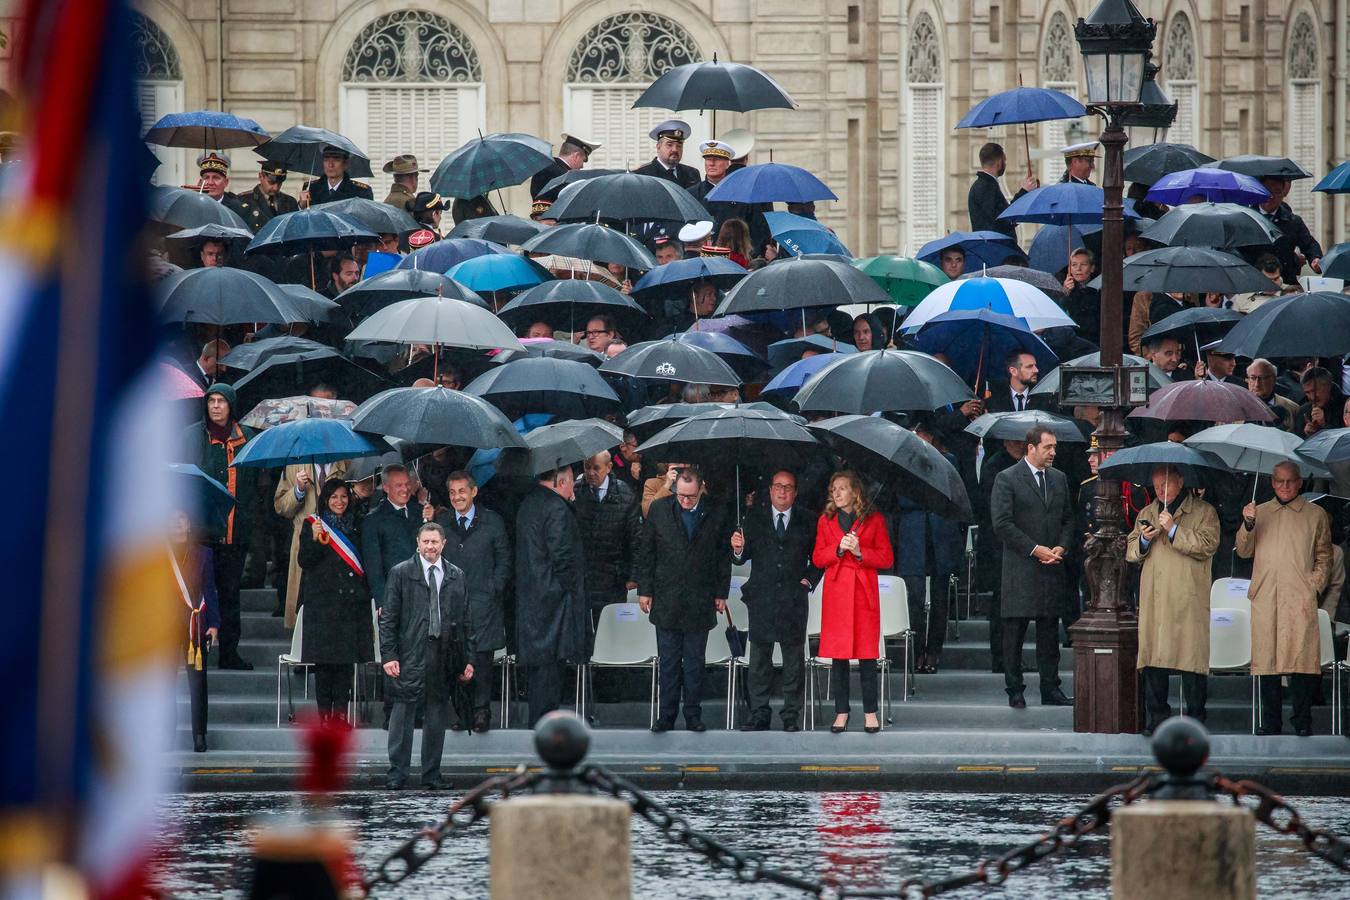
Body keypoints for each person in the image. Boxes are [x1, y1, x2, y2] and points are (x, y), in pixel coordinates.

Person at [1236, 461, 1333, 736]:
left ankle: (1302, 722)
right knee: (1267, 664)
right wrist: (1248, 523)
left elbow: (1325, 555)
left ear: (1300, 482)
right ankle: (1271, 723)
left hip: (1298, 595)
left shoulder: (1315, 514)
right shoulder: (1260, 512)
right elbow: (1243, 551)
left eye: (1291, 481)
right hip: (1266, 595)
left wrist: (1313, 585)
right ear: (1272, 482)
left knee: (1301, 662)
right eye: (1280, 481)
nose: (1285, 486)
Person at [1125, 465, 1220, 735]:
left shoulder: (1204, 511)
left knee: (1190, 660)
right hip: (1155, 596)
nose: (1161, 491)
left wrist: (1174, 529)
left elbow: (1208, 545)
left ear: (1180, 482)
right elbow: (1131, 552)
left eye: (1166, 485)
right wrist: (1143, 540)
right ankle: (1156, 719)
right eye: (1156, 487)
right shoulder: (1146, 512)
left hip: (1187, 596)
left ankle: (1195, 719)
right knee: (1154, 658)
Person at [636, 467, 732, 732]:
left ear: (701, 488)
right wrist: (644, 590)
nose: (685, 500)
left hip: (700, 596)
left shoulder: (717, 511)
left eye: (690, 496)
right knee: (668, 662)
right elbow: (647, 552)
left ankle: (692, 714)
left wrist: (721, 592)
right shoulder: (659, 509)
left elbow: (722, 556)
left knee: (694, 663)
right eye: (681, 495)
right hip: (667, 595)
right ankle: (666, 715)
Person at [380, 522, 473, 789]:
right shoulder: (401, 573)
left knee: (436, 714)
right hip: (410, 650)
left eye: (435, 542)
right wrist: (389, 654)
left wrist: (468, 659)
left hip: (443, 652)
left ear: (444, 544)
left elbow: (467, 621)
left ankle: (432, 774)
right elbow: (389, 620)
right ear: (417, 544)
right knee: (402, 714)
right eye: (426, 542)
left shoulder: (456, 575)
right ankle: (397, 773)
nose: (430, 547)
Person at [990, 426, 1075, 709]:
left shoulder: (1060, 478)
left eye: (1054, 447)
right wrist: (1034, 549)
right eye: (1048, 447)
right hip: (1020, 567)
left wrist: (1061, 547)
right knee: (1014, 632)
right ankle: (1015, 689)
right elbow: (1002, 523)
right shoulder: (1007, 478)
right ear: (1031, 448)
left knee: (1049, 632)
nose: (1053, 452)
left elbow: (1068, 520)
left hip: (1052, 565)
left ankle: (1051, 688)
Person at [730, 470, 820, 732]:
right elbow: (741, 557)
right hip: (762, 597)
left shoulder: (808, 519)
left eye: (788, 487)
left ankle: (791, 715)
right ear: (769, 490)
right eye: (778, 486)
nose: (782, 492)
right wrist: (737, 548)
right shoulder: (754, 517)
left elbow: (818, 557)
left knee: (793, 660)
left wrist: (809, 580)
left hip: (793, 598)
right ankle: (759, 713)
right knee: (759, 660)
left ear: (795, 492)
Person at [179, 383, 257, 670]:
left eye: (221, 401)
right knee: (197, 593)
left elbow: (255, 489)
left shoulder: (246, 438)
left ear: (231, 405)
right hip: (200, 533)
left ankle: (229, 652)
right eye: (211, 400)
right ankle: (193, 648)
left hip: (235, 532)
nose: (215, 406)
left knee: (230, 593)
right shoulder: (192, 437)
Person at [812, 471, 893, 734]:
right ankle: (841, 712)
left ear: (855, 492)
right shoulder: (826, 521)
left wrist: (860, 552)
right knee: (839, 657)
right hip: (837, 593)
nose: (836, 493)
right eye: (833, 488)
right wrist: (838, 548)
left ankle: (870, 712)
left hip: (863, 592)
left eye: (842, 488)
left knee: (867, 655)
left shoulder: (874, 519)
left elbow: (886, 558)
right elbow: (817, 557)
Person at [434, 471, 511, 734]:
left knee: (481, 659)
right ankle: (463, 713)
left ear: (474, 491)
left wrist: (494, 589)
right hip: (451, 604)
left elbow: (504, 561)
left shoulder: (493, 521)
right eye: (453, 492)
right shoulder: (441, 522)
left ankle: (481, 712)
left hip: (483, 602)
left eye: (462, 491)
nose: (457, 497)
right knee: (456, 659)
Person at [514, 466, 590, 726]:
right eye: (571, 483)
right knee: (550, 673)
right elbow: (564, 558)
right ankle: (544, 728)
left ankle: (538, 724)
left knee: (538, 673)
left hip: (530, 598)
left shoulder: (528, 503)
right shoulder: (557, 509)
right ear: (561, 481)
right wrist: (573, 589)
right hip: (553, 603)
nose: (573, 489)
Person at [296, 479, 374, 726]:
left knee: (344, 664)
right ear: (325, 500)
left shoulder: (358, 524)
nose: (339, 502)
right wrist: (317, 541)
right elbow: (304, 562)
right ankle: (323, 716)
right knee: (324, 665)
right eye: (333, 497)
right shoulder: (313, 524)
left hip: (350, 604)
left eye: (343, 496)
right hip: (323, 605)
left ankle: (340, 714)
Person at [896, 423, 963, 674]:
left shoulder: (948, 460)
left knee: (939, 599)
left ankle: (933, 651)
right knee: (913, 598)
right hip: (913, 536)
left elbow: (952, 495)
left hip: (940, 535)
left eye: (922, 435)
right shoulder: (904, 462)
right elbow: (900, 500)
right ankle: (914, 651)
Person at [274, 454, 350, 628]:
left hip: (339, 542)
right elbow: (280, 507)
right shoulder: (294, 465)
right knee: (305, 609)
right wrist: (298, 490)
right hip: (305, 540)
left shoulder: (346, 463)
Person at [169, 508, 218, 753]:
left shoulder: (204, 553)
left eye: (182, 517)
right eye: (172, 518)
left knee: (198, 683)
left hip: (194, 624)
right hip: (166, 626)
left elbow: (210, 590)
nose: (177, 522)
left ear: (189, 524)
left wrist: (214, 624)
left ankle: (199, 734)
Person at [975, 437, 1025, 673]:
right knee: (1000, 604)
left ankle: (1013, 656)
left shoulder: (1026, 465)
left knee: (1018, 606)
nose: (1020, 445)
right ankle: (1000, 657)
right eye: (1015, 442)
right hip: (997, 546)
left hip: (1021, 545)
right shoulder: (994, 465)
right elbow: (988, 504)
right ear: (1005, 442)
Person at [574, 451, 639, 617]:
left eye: (596, 468)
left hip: (614, 575)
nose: (590, 473)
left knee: (614, 626)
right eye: (587, 467)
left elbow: (635, 539)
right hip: (584, 573)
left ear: (609, 467)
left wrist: (633, 574)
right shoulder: (576, 491)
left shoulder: (625, 494)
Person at [363, 465, 430, 612]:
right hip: (395, 596)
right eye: (398, 485)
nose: (405, 489)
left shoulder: (420, 511)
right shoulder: (373, 519)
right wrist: (382, 601)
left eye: (407, 484)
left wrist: (430, 521)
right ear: (386, 487)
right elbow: (373, 566)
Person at [1256, 175, 1323, 285]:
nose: (1270, 196)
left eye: (1276, 192)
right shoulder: (1247, 217)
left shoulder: (1293, 221)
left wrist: (1315, 259)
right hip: (1255, 284)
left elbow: (1309, 244)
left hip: (1286, 283)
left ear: (1284, 194)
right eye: (1266, 191)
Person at [967, 142, 1037, 237]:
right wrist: (1024, 192)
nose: (1005, 163)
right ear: (999, 162)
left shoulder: (984, 184)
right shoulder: (986, 186)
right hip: (995, 247)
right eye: (1005, 160)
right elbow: (1003, 220)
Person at [225, 163, 299, 233]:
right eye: (271, 182)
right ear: (260, 176)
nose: (275, 188)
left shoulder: (290, 202)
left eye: (279, 183)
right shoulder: (242, 201)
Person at [529, 134, 600, 199]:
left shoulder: (546, 166)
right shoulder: (564, 176)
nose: (582, 166)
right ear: (576, 156)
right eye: (583, 160)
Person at [634, 119, 700, 189]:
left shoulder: (692, 173)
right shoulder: (642, 175)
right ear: (658, 146)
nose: (675, 149)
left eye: (679, 146)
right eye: (669, 145)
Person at [301, 146, 373, 207]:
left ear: (346, 164)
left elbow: (366, 219)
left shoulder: (361, 191)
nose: (330, 165)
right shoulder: (311, 188)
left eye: (336, 160)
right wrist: (302, 205)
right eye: (326, 160)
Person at [1246, 358, 1300, 431]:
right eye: (1253, 378)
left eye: (1262, 378)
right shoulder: (1235, 408)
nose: (1257, 384)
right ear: (1248, 380)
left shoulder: (1293, 409)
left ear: (1274, 380)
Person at [1060, 249, 1101, 338]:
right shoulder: (1065, 287)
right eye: (1074, 265)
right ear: (1070, 269)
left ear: (1092, 268)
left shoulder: (1099, 287)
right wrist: (1065, 293)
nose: (1078, 269)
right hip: (1073, 338)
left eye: (1083, 264)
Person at [1296, 367, 1341, 437]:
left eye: (1315, 391)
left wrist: (1325, 425)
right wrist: (1307, 435)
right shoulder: (1303, 411)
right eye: (1307, 392)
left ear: (1328, 386)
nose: (1312, 397)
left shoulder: (1346, 406)